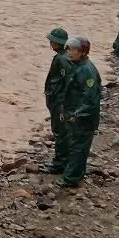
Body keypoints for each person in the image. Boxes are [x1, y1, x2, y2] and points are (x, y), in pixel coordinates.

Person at [54, 35, 102, 189]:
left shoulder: (87, 71)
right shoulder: (76, 66)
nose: (69, 52)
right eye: (69, 48)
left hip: (83, 118)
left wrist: (77, 114)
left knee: (78, 148)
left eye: (74, 49)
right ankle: (73, 173)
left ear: (83, 52)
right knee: (75, 144)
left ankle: (71, 179)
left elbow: (90, 99)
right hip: (73, 113)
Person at [43, 27, 71, 165]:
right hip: (59, 100)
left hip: (59, 101)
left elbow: (62, 82)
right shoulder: (64, 57)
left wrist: (53, 96)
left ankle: (59, 162)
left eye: (52, 41)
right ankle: (63, 159)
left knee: (59, 131)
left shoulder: (61, 59)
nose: (50, 44)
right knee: (61, 130)